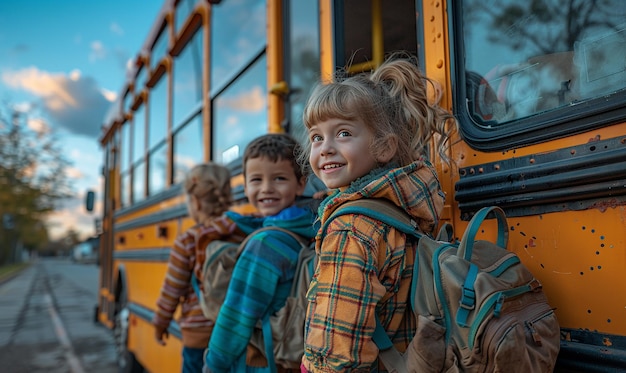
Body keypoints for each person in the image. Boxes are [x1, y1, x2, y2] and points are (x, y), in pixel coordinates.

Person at [300, 53, 458, 372]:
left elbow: (336, 348)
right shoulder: (402, 207)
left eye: (343, 133)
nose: (325, 147)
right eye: (316, 137)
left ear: (384, 148)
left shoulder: (351, 228)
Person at [204, 134, 317, 372]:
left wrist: (214, 366)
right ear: (245, 186)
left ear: (300, 183)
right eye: (256, 179)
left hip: (263, 362)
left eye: (279, 178)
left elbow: (236, 316)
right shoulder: (310, 224)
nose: (267, 188)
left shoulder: (265, 244)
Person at [153, 163, 253, 373]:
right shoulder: (243, 233)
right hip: (236, 334)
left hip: (199, 337)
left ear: (196, 203)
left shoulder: (189, 240)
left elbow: (172, 290)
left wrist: (160, 323)